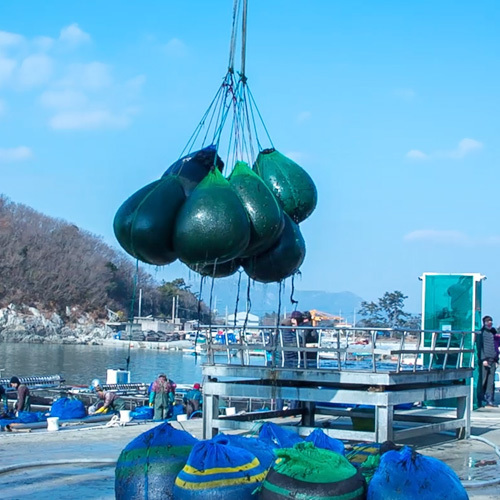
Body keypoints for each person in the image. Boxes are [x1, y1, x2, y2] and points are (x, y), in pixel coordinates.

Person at [476, 315, 498, 407]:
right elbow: (479, 347)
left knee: (491, 381)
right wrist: (483, 359)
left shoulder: (493, 332)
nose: (490, 323)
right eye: (488, 321)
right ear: (484, 322)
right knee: (483, 381)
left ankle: (490, 400)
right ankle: (480, 399)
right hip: (485, 360)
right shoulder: (481, 333)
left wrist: (497, 360)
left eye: (491, 321)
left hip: (493, 360)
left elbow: (496, 347)